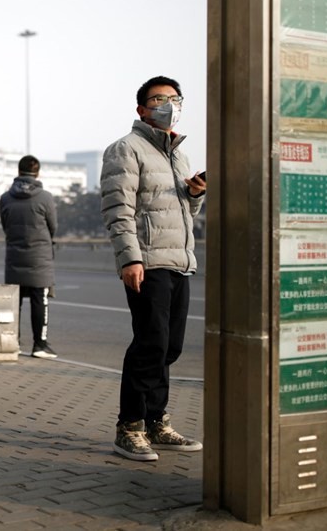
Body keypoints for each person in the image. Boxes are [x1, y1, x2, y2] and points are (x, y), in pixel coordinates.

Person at [99, 75, 206, 462]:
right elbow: (118, 209)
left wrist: (194, 195)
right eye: (159, 98)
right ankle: (129, 427)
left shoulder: (179, 154)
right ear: (142, 108)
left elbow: (183, 212)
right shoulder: (126, 149)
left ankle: (157, 421)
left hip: (179, 262)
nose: (169, 104)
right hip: (148, 261)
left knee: (170, 347)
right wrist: (130, 257)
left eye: (175, 98)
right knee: (150, 344)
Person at [0, 154, 59, 359]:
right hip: (39, 259)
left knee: (15, 302)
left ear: (18, 172)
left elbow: (5, 226)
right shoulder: (45, 198)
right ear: (38, 172)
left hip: (15, 257)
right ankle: (39, 345)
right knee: (39, 300)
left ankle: (12, 343)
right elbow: (54, 227)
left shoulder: (6, 198)